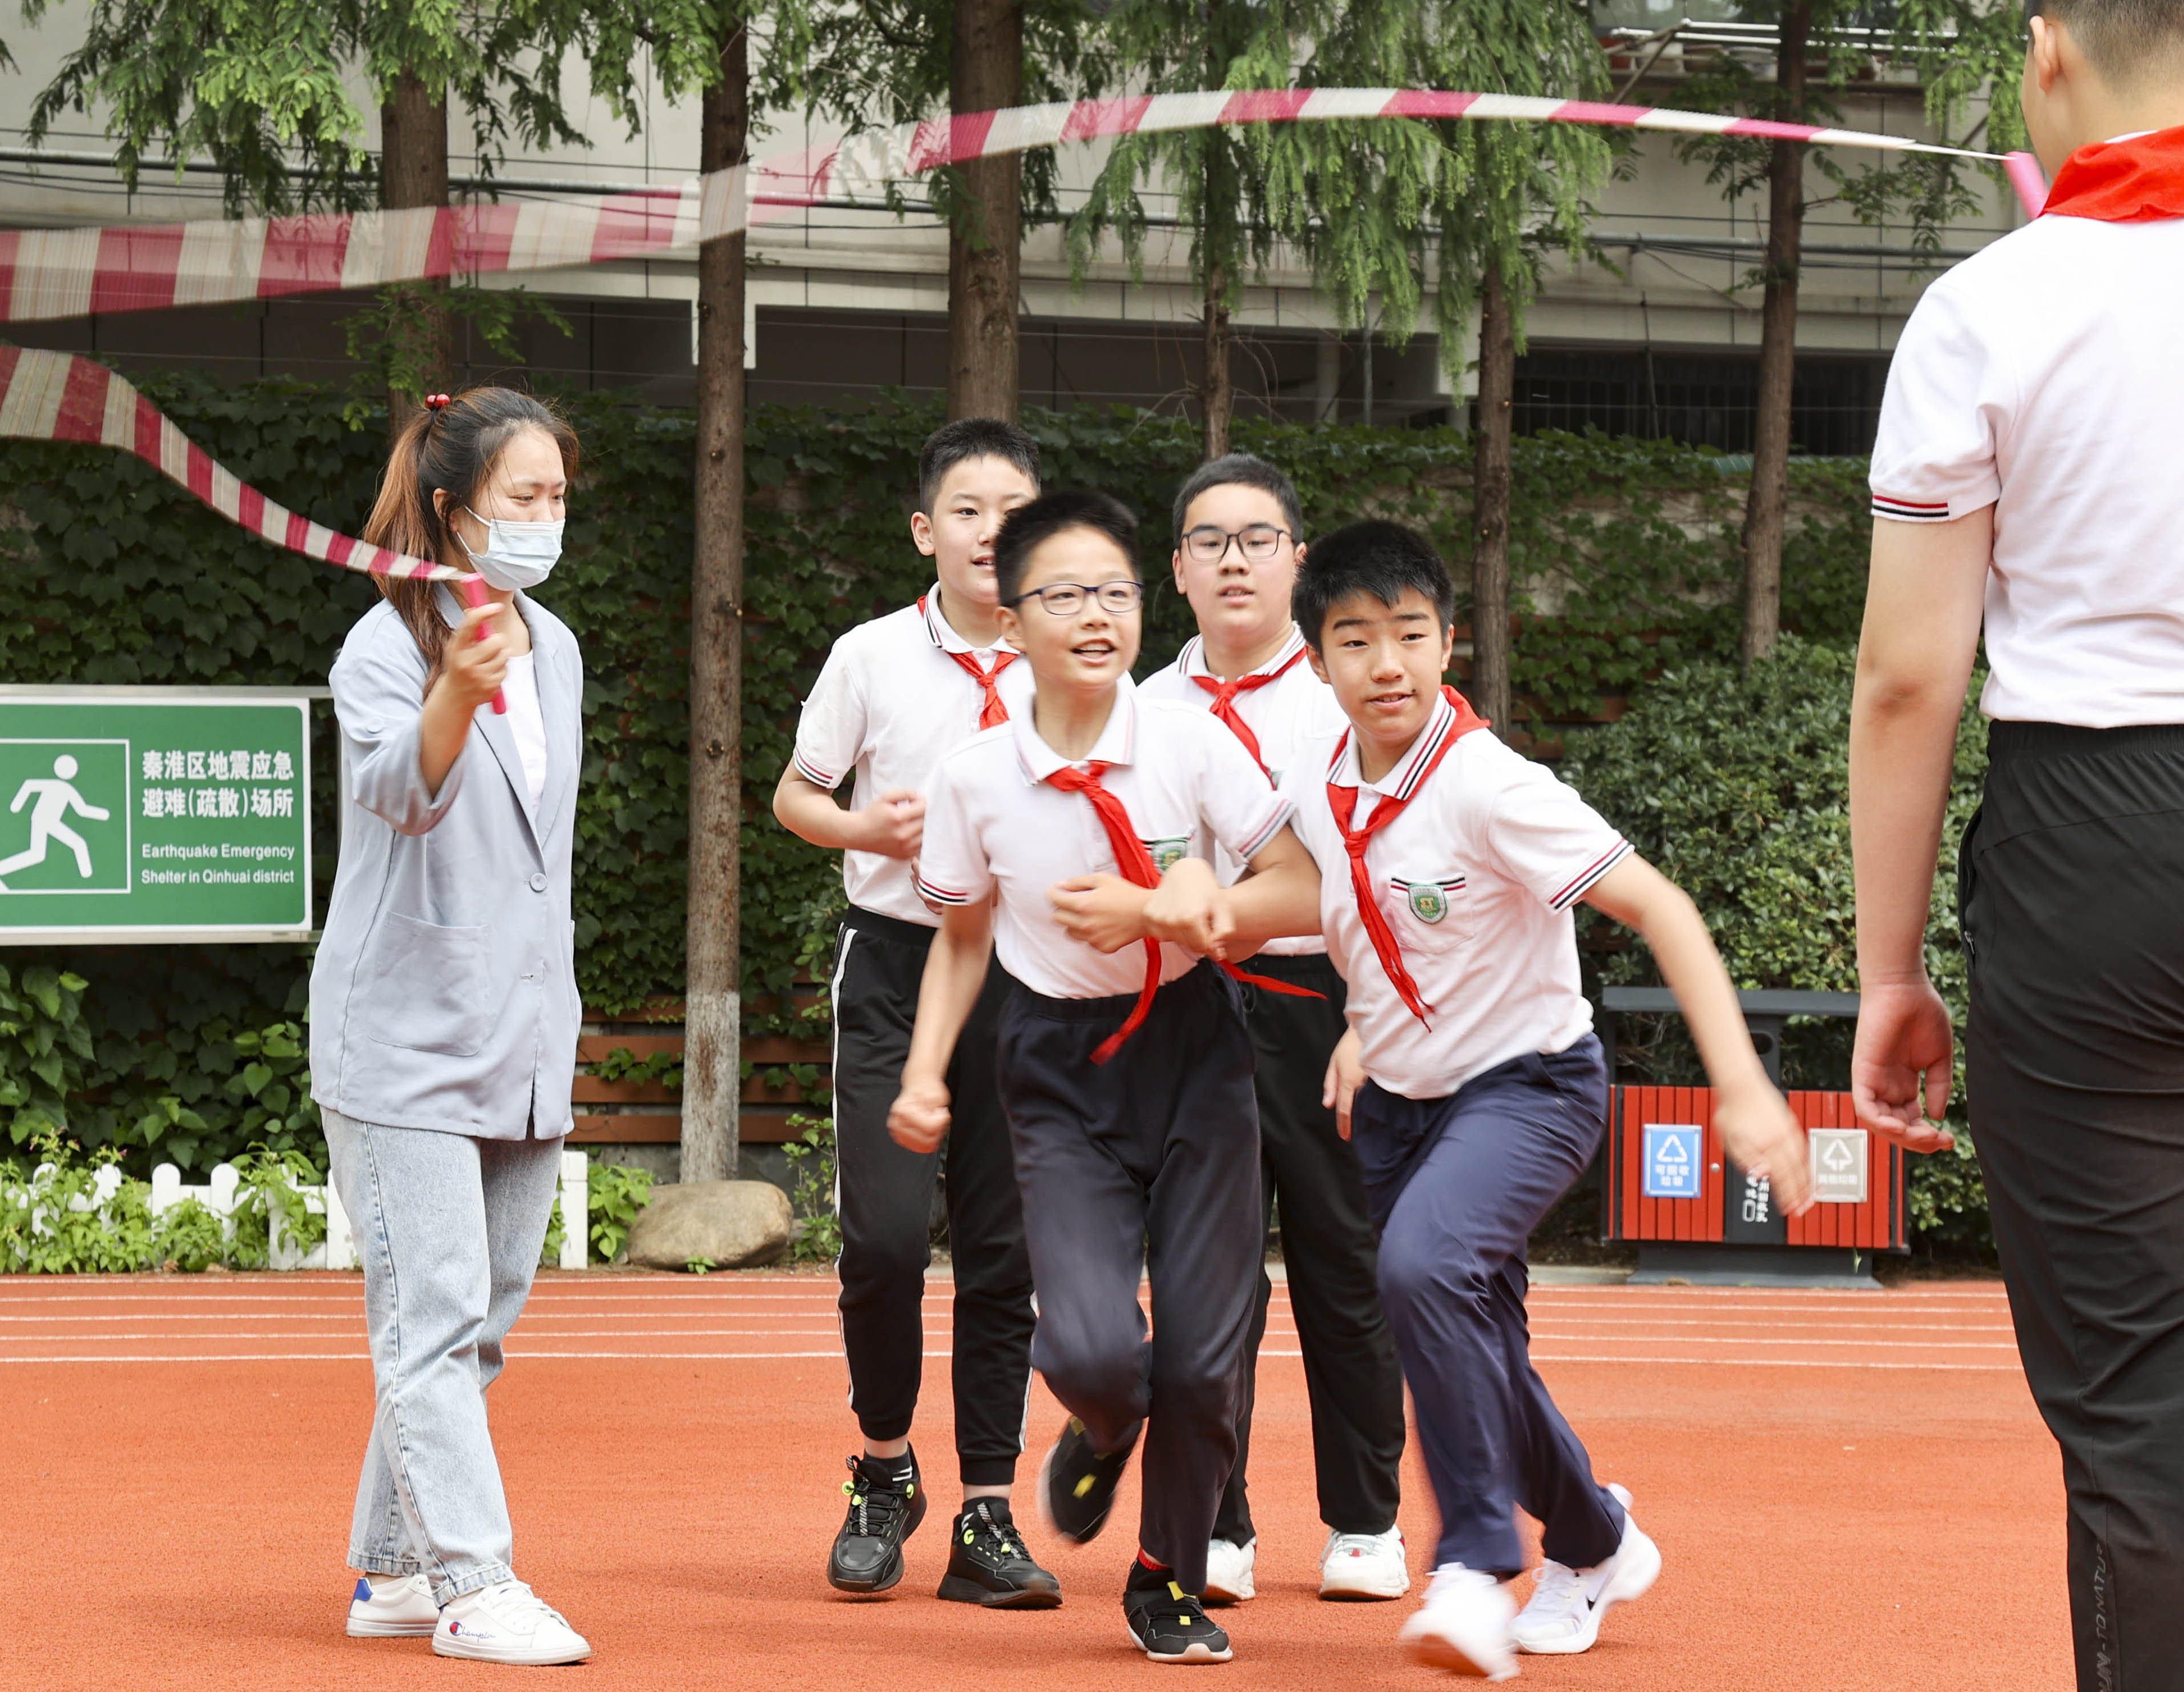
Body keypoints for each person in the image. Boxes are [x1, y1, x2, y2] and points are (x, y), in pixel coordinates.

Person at [1273, 521, 1810, 1679]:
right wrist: (1363, 1025)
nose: (1386, 665)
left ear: (1447, 641)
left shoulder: (1490, 785)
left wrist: (1742, 1087)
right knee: (1474, 1347)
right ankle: (1591, 1539)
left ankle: (1470, 1562)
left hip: (1529, 1087)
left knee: (1418, 1271)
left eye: (1409, 635)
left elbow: (1660, 907)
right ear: (1316, 658)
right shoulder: (1317, 784)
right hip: (1404, 1106)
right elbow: (1358, 909)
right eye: (1354, 640)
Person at [1849, 6, 2184, 1684]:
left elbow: (1912, 670)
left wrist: (1890, 969)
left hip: (2095, 845)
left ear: (2047, 49)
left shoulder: (1991, 305)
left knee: (2137, 1405)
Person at [887, 489, 1323, 1664]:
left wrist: (1193, 909)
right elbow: (963, 934)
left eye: (1117, 592)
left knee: (1202, 1357)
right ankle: (1097, 1427)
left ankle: (1162, 1577)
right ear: (1008, 616)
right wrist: (926, 1071)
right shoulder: (975, 777)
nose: (1097, 615)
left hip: (1195, 1057)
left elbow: (1301, 886)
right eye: (1066, 595)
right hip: (1053, 1068)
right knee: (1089, 1352)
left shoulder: (1188, 742)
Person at [309, 387, 590, 1666]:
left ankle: (388, 1570)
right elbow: (393, 801)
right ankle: (473, 1583)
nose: (544, 521)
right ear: (450, 510)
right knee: (429, 1311)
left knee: (478, 1320)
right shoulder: (385, 648)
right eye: (522, 500)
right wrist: (449, 697)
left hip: (521, 1039)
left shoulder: (561, 647)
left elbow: (539, 858)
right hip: (401, 1043)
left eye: (557, 498)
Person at [772, 418, 1058, 1605]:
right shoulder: (870, 656)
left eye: (1013, 511)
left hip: (1032, 973)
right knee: (886, 1241)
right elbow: (795, 793)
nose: (991, 533)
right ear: (923, 530)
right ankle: (882, 1472)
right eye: (967, 511)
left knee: (1006, 1255)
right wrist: (859, 828)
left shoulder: (1075, 655)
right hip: (893, 963)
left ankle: (987, 1515)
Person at [1137, 454, 1409, 1605]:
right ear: (1177, 570)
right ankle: (1218, 1522)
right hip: (1187, 1014)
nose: (1233, 558)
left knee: (1349, 1270)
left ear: (1297, 559)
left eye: (1257, 537)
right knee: (1206, 1283)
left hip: (1332, 1006)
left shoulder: (1354, 690)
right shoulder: (1138, 710)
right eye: (1210, 540)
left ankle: (1363, 1520)